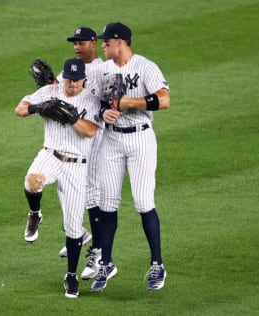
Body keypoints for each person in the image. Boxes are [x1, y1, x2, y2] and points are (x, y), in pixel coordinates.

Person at [89, 22, 171, 292]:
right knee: (106, 203)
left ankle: (157, 264)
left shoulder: (146, 66)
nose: (102, 45)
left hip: (140, 139)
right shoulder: (103, 69)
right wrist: (103, 113)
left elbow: (164, 99)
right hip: (111, 139)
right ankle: (106, 264)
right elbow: (94, 101)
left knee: (143, 202)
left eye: (106, 42)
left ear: (120, 42)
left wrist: (129, 102)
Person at [15, 58, 100, 298]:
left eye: (77, 80)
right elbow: (19, 109)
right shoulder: (49, 91)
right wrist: (37, 108)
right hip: (50, 155)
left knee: (74, 229)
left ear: (84, 79)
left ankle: (71, 276)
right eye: (69, 79)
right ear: (64, 77)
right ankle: (35, 213)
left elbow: (91, 131)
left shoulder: (91, 100)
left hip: (77, 166)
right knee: (32, 181)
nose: (72, 84)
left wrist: (72, 118)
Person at [55, 27, 105, 282]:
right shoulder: (72, 68)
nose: (77, 46)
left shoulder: (103, 69)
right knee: (63, 185)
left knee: (91, 193)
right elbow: (56, 92)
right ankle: (78, 234)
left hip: (95, 138)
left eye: (82, 42)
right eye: (75, 42)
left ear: (93, 43)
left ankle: (98, 254)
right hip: (69, 139)